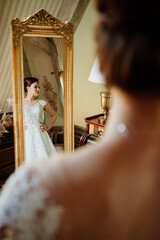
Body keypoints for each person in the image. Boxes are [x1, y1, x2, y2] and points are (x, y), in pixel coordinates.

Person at [0, 0, 160, 239]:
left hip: (40, 136)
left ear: (105, 64)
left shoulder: (33, 189)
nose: (36, 89)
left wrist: (47, 125)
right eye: (33, 86)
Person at [24, 77, 57, 164]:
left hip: (40, 134)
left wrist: (48, 127)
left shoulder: (41, 103)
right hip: (27, 135)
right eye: (35, 87)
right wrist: (20, 125)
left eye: (39, 87)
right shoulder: (20, 103)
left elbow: (54, 115)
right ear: (28, 88)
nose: (38, 89)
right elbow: (16, 119)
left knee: (44, 159)